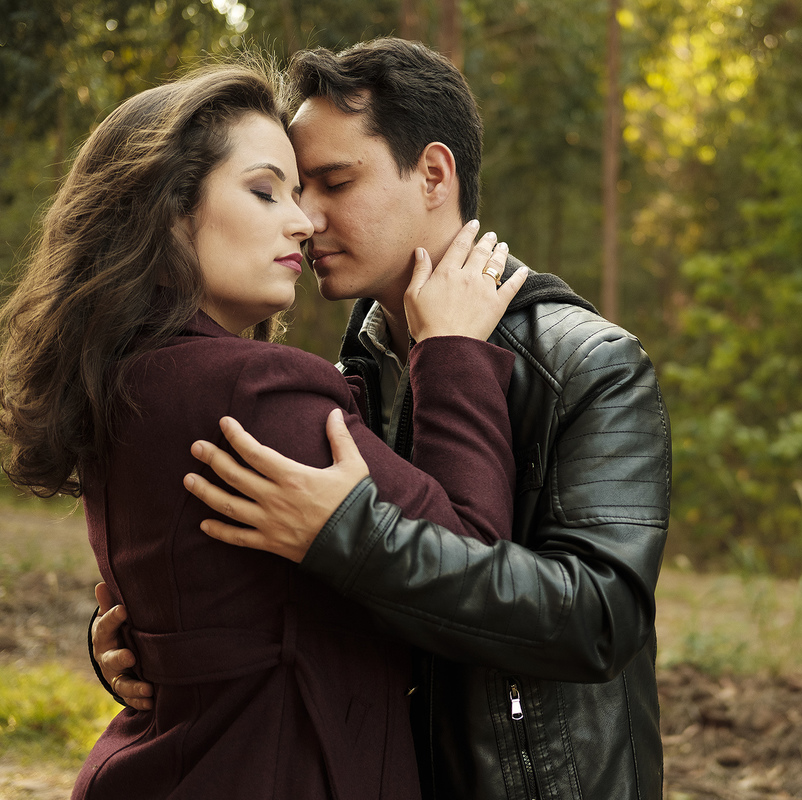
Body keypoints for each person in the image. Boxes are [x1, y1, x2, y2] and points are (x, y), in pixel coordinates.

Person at [94, 38, 672, 799]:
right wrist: (150, 639)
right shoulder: (353, 365)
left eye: (334, 182)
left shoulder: (587, 365)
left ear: (434, 174)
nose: (306, 217)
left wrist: (352, 537)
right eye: (295, 189)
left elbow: (599, 619)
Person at [0, 61, 529, 799]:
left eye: (311, 189)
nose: (304, 220)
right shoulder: (252, 388)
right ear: (169, 209)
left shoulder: (123, 372)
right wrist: (452, 354)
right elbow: (472, 564)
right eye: (264, 190)